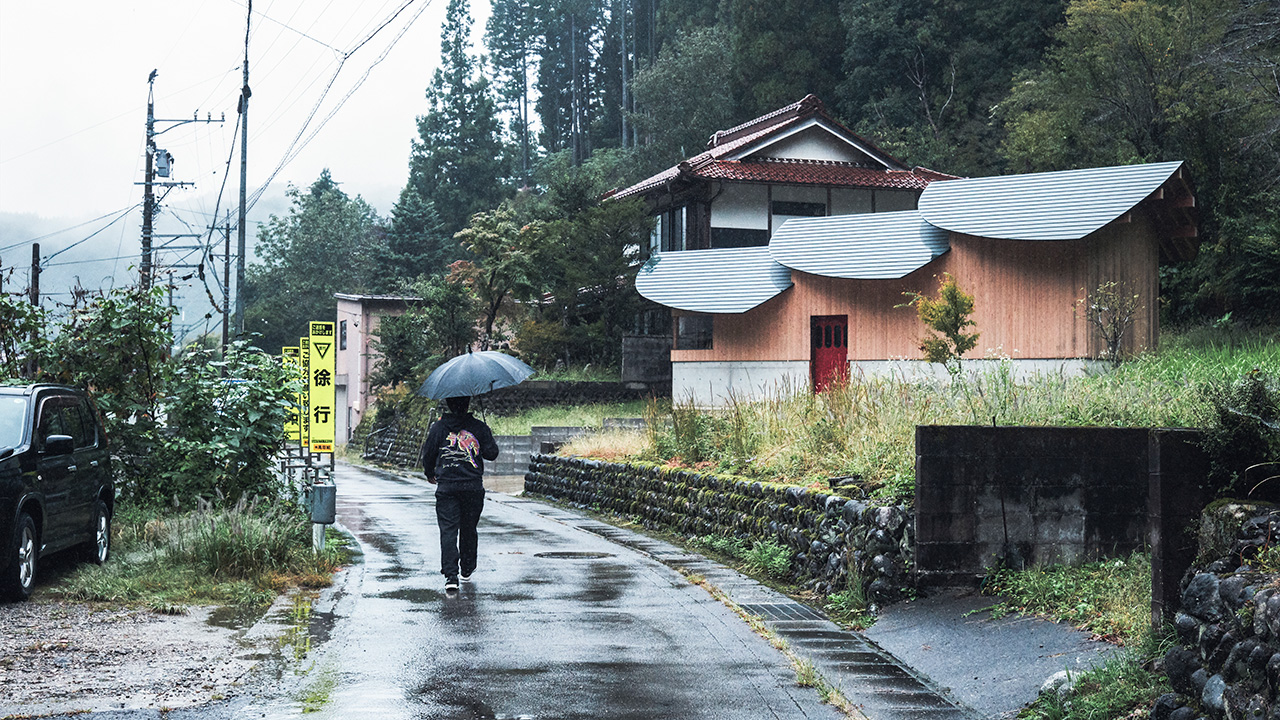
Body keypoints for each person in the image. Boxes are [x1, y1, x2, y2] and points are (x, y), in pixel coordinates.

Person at [421, 396, 499, 592]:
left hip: (447, 487)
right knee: (469, 528)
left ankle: (451, 576)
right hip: (472, 487)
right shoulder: (478, 427)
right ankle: (467, 567)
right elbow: (492, 454)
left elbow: (428, 454)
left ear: (448, 404)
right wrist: (485, 433)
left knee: (448, 530)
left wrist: (430, 473)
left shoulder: (438, 428)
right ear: (467, 404)